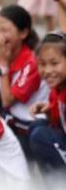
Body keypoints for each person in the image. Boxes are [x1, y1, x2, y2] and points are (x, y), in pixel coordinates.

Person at [0, 4, 48, 154]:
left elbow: (7, 101)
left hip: (30, 125)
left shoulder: (33, 60)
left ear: (23, 33)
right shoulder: (2, 56)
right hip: (12, 121)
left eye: (5, 30)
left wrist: (2, 65)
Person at [29, 32, 66, 181]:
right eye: (42, 64)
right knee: (36, 126)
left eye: (54, 63)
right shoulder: (57, 89)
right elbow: (58, 123)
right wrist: (50, 109)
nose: (48, 71)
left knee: (41, 136)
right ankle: (52, 189)